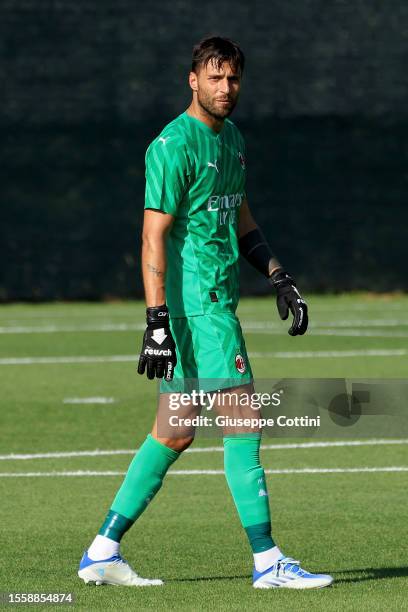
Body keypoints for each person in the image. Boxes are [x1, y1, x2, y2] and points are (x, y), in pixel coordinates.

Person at [78, 36, 333, 590]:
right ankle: (268, 562)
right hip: (200, 312)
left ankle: (101, 550)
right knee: (245, 423)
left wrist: (278, 275)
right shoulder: (172, 145)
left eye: (233, 78)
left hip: (211, 305)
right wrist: (155, 323)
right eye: (214, 77)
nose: (225, 88)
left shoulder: (234, 140)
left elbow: (240, 217)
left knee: (174, 433)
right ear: (192, 80)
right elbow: (152, 236)